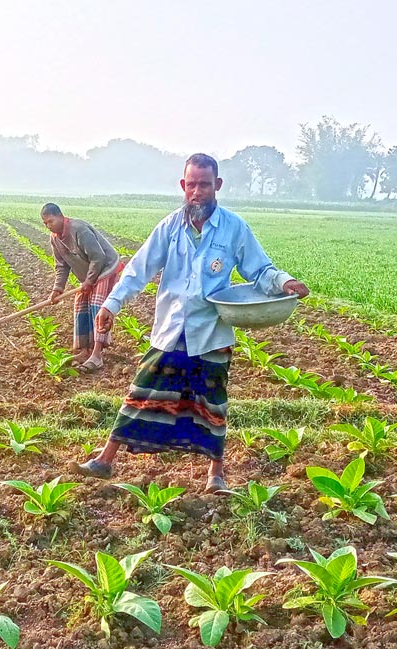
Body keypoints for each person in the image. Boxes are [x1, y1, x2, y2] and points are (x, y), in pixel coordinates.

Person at [71, 154, 309, 493]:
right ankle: (106, 460)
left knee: (212, 403)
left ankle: (216, 475)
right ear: (183, 186)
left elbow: (260, 269)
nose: (197, 192)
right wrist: (112, 303)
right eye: (192, 184)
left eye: (205, 184)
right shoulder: (169, 227)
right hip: (171, 329)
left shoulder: (233, 228)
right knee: (141, 392)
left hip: (211, 332)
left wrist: (285, 283)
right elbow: (138, 269)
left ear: (218, 186)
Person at [41, 203, 124, 372]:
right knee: (80, 305)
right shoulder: (55, 238)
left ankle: (97, 354)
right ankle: (84, 351)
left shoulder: (79, 229)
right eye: (45, 223)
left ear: (60, 216)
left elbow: (98, 257)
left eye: (51, 221)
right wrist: (58, 289)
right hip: (88, 274)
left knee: (98, 306)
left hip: (106, 268)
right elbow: (61, 266)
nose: (49, 226)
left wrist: (89, 281)